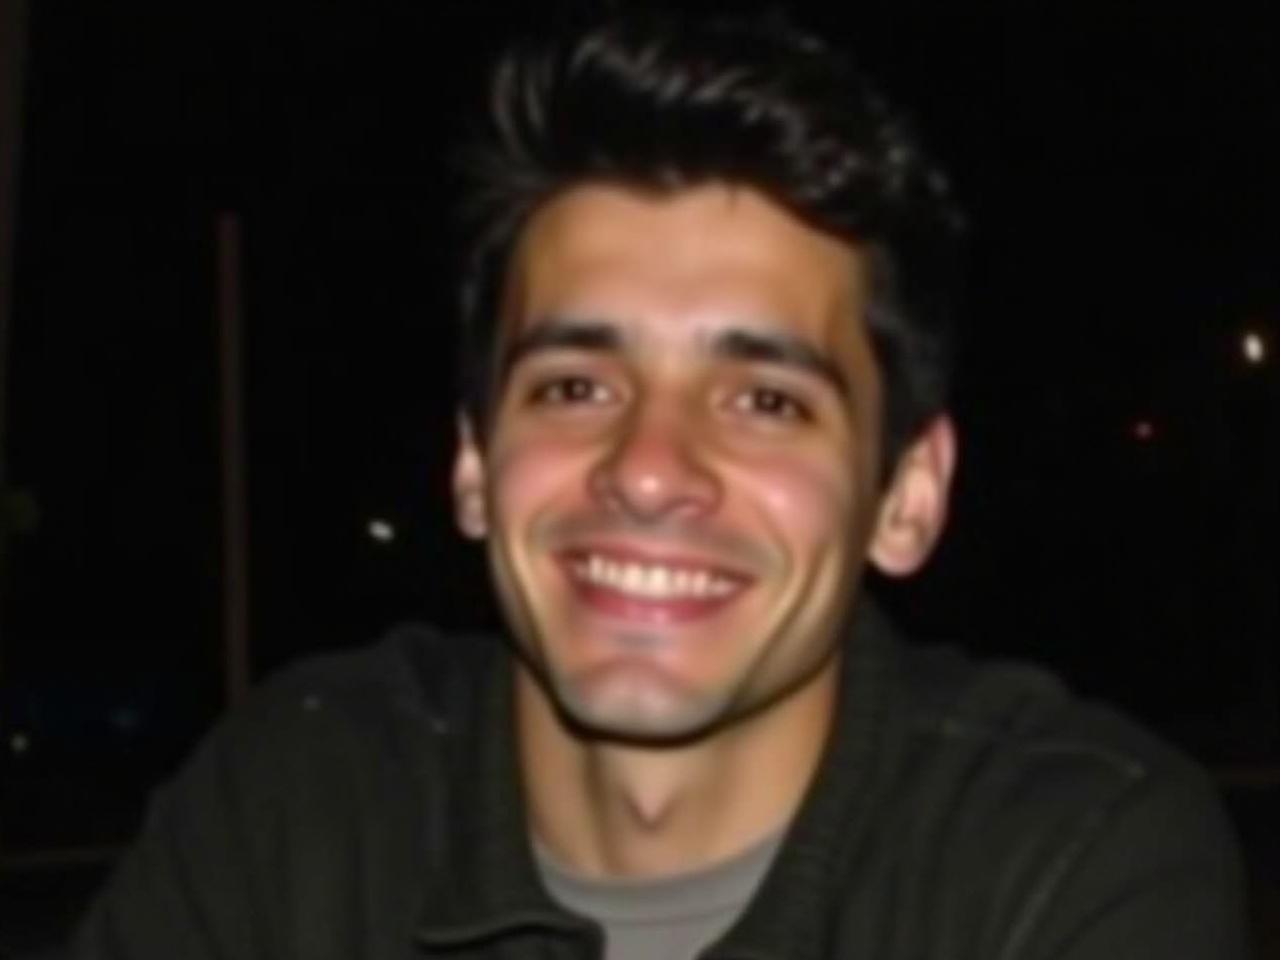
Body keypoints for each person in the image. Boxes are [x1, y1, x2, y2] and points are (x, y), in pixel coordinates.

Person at [65, 9, 1249, 960]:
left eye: (764, 401)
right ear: (474, 464)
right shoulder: (298, 812)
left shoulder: (1064, 857)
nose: (645, 469)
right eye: (576, 385)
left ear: (906, 496)